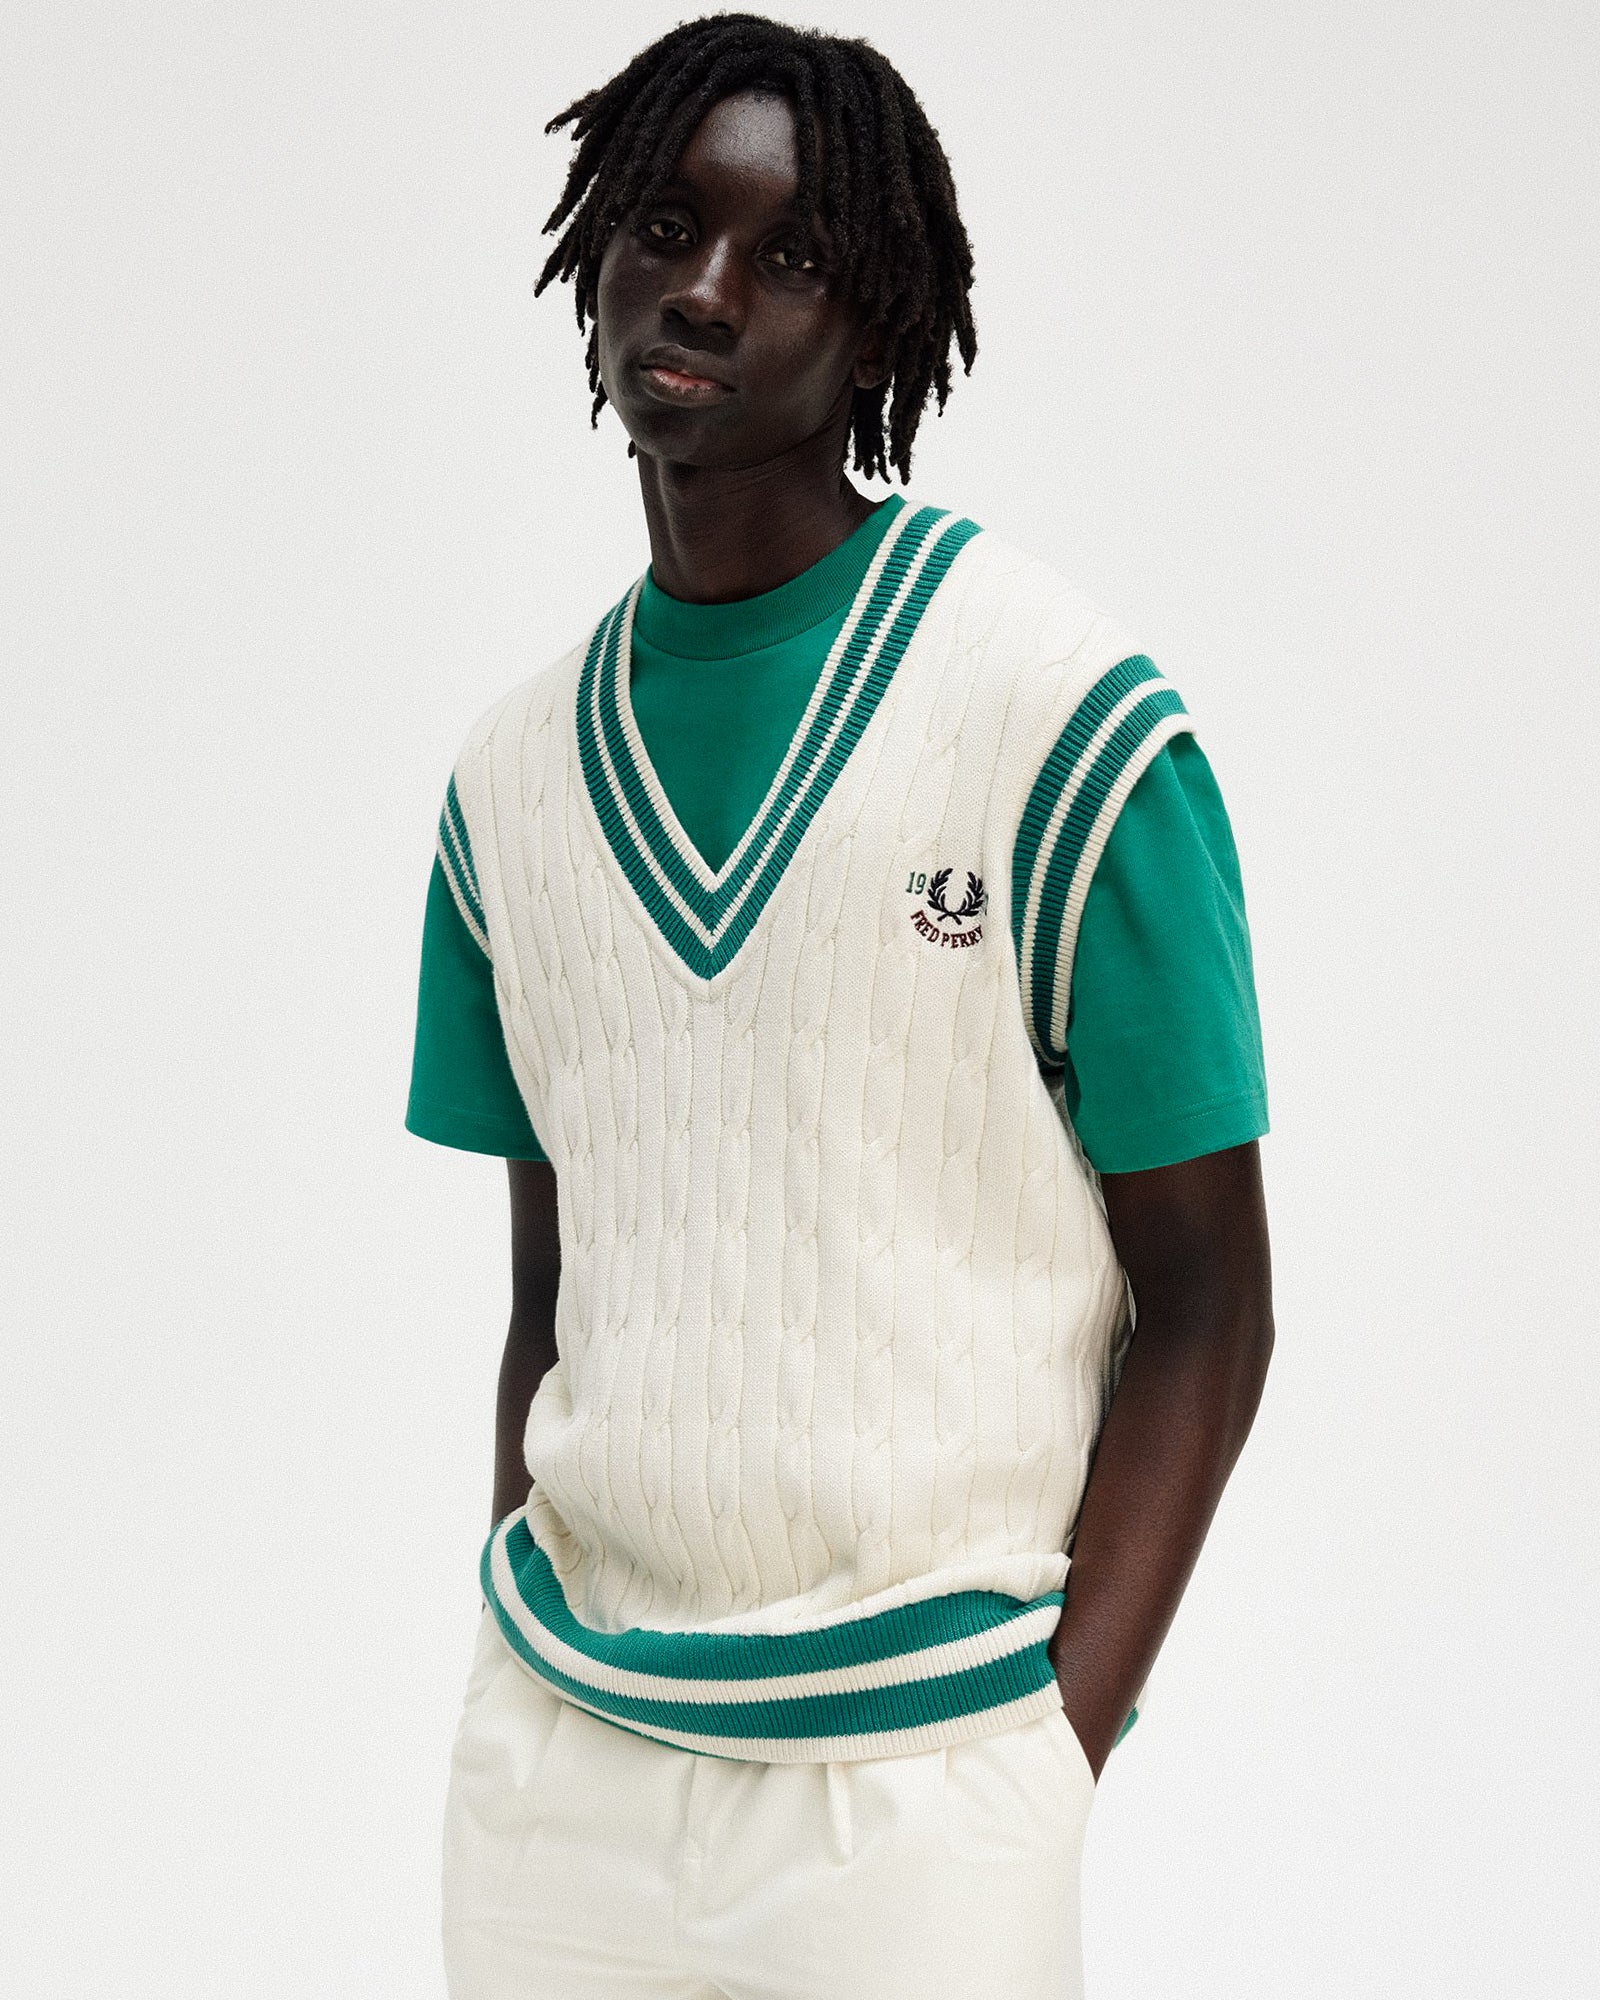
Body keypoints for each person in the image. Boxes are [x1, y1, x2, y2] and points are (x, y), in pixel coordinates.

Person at [405, 15, 1275, 1998]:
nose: (704, 289)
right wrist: (508, 1647)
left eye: (787, 255)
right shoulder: (506, 786)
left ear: (877, 322)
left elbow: (1212, 1302)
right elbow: (556, 1288)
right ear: (593, 253)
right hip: (558, 1781)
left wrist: (1046, 1753)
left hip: (919, 1794)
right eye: (663, 226)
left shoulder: (1062, 724)